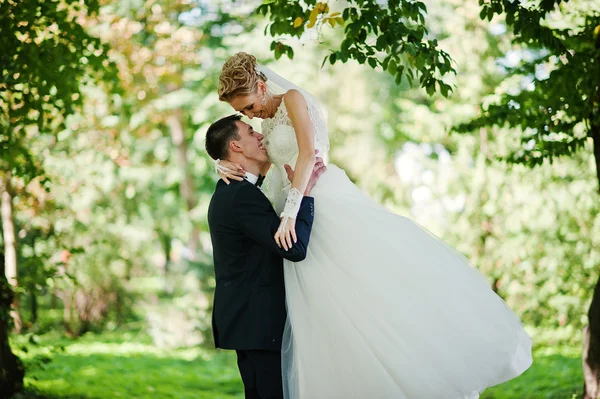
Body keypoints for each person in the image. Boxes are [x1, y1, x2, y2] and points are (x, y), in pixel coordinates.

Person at [214, 52, 533, 399]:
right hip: (291, 211)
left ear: (261, 86)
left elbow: (307, 154)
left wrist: (292, 208)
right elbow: (254, 161)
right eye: (244, 114)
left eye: (247, 106)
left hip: (317, 202)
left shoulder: (293, 99)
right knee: (318, 315)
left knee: (359, 298)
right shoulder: (263, 125)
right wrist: (222, 165)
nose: (249, 116)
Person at [206, 114, 326, 399]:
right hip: (257, 323)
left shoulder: (233, 190)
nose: (260, 135)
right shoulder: (240, 196)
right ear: (235, 146)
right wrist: (305, 196)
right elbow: (293, 249)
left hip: (250, 323)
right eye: (250, 132)